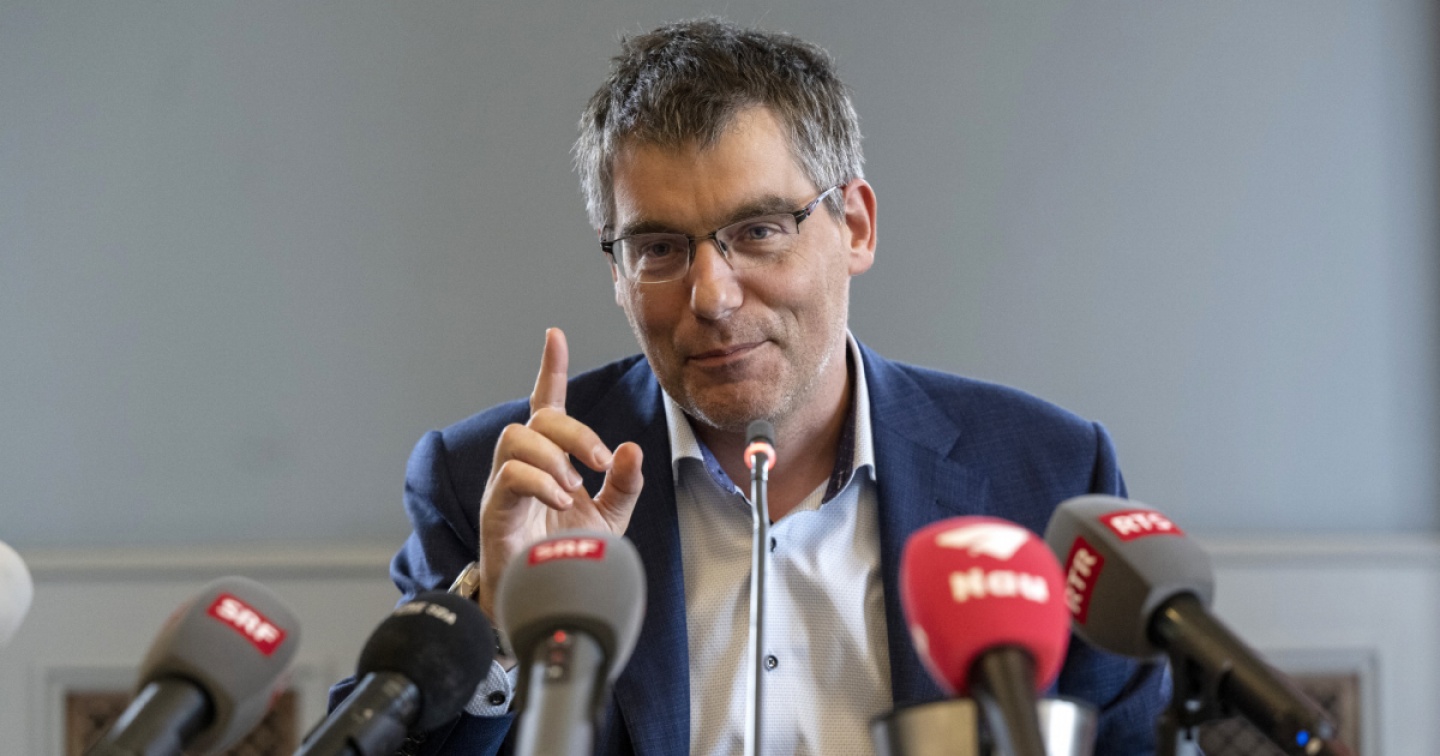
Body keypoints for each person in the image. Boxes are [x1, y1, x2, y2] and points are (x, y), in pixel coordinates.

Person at [331, 17, 1167, 755]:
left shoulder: (1046, 475)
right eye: (659, 249)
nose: (712, 296)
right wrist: (497, 631)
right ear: (618, 271)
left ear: (856, 227)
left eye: (760, 230)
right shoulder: (494, 484)